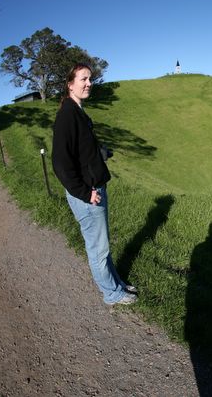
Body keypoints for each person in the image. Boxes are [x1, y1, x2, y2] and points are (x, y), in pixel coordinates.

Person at [52, 63, 137, 305]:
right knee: (98, 249)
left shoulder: (78, 112)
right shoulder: (67, 115)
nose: (89, 83)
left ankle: (116, 284)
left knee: (103, 246)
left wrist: (100, 154)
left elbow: (80, 151)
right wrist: (84, 193)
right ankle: (111, 294)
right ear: (70, 84)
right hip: (88, 194)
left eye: (90, 79)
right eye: (83, 79)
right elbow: (60, 163)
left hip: (94, 188)